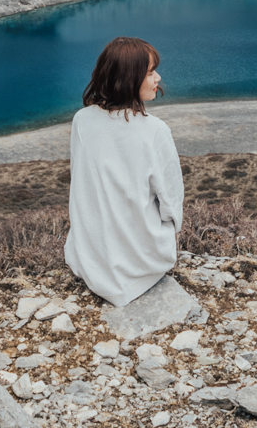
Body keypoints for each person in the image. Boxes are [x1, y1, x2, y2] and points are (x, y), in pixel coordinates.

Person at [64, 36, 184, 306]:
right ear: (129, 78)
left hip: (89, 259)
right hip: (144, 263)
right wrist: (170, 230)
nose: (158, 78)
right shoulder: (155, 131)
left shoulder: (81, 120)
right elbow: (171, 201)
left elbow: (81, 184)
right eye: (151, 72)